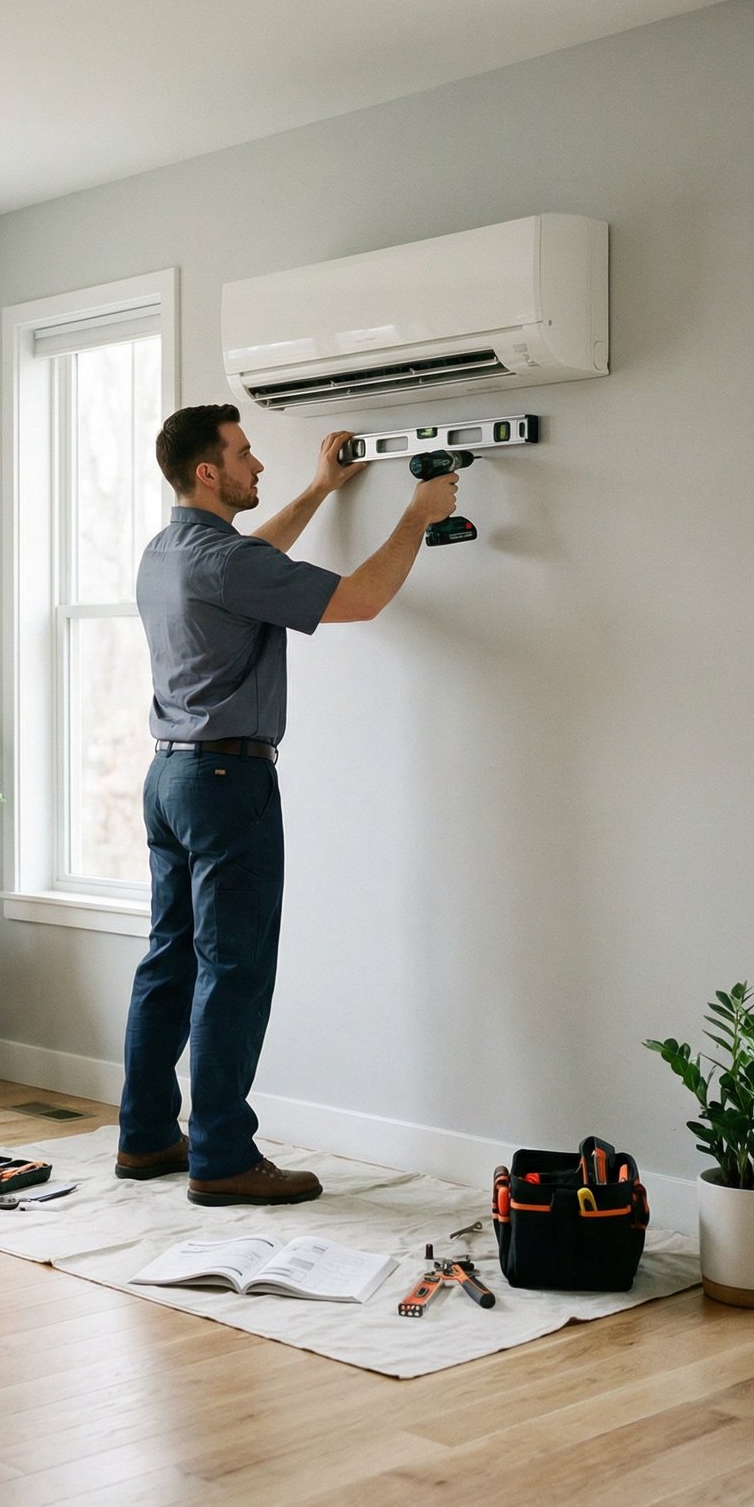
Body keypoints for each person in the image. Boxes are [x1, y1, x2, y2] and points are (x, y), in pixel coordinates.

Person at [116, 403, 460, 1204]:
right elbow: (362, 598)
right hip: (226, 783)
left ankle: (147, 1136)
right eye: (244, 454)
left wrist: (318, 490)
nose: (257, 464)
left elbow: (251, 559)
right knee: (232, 969)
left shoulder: (166, 552)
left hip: (168, 780)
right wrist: (418, 514)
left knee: (170, 960)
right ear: (209, 471)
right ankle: (222, 1159)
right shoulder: (226, 562)